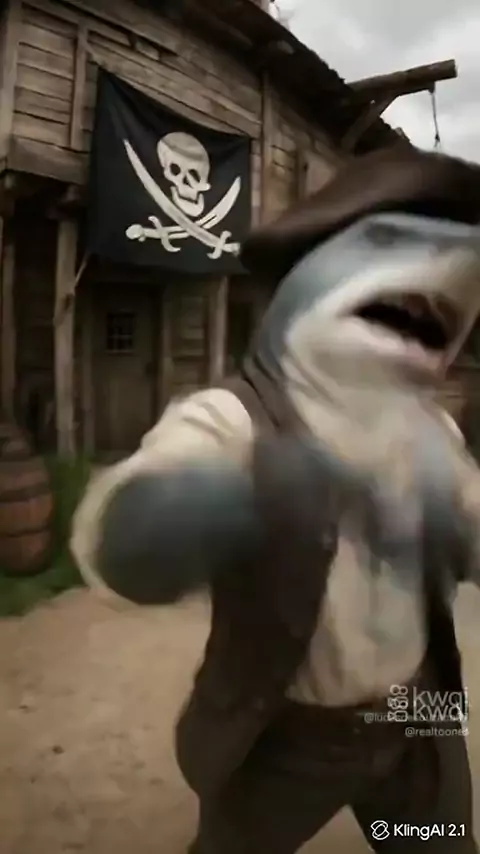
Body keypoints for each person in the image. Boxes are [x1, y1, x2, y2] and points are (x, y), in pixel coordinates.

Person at [71, 146, 480, 852]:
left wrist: (459, 526)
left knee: (438, 844)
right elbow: (126, 540)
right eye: (393, 244)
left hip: (420, 715)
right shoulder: (233, 419)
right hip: (289, 732)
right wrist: (196, 507)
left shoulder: (432, 433)